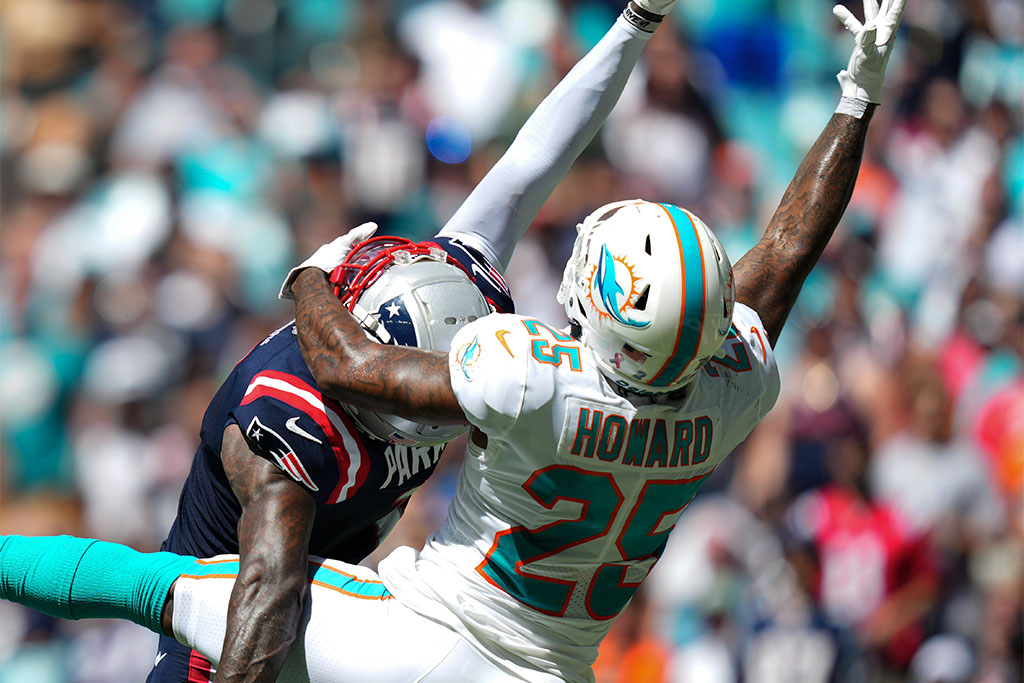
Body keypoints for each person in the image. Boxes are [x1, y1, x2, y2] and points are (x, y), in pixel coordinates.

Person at [0, 1, 906, 681]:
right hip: (550, 665)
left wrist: (314, 275)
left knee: (151, 583)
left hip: (420, 639)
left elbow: (352, 365)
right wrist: (857, 98)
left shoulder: (522, 376)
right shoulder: (729, 391)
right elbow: (781, 261)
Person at [140, 3, 673, 680]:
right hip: (226, 636)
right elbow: (263, 592)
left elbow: (537, 156)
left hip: (337, 615)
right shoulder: (286, 417)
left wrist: (635, 22)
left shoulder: (445, 291)